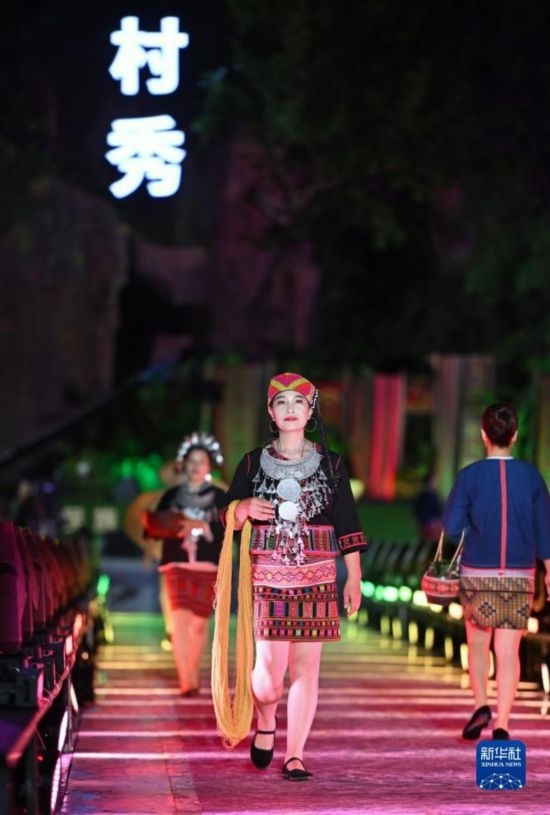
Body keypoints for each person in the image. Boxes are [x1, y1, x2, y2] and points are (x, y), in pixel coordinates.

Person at [212, 372, 367, 780]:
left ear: (311, 411)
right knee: (268, 679)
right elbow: (224, 515)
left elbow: (348, 525)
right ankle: (266, 720)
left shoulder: (332, 465)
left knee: (306, 669)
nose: (291, 409)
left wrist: (353, 578)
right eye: (282, 402)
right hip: (269, 578)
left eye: (299, 402)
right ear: (271, 412)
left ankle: (295, 755)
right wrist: (243, 508)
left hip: (317, 576)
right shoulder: (252, 463)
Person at [443, 403, 550, 740]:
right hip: (519, 575)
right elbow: (545, 531)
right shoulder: (531, 477)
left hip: (477, 573)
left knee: (478, 644)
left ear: (483, 435)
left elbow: (451, 526)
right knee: (508, 651)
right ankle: (503, 722)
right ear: (514, 435)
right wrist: (549, 570)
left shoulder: (469, 476)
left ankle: (480, 705)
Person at [142, 432, 226, 696]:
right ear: (184, 464)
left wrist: (204, 526)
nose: (196, 466)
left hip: (207, 566)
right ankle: (185, 679)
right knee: (179, 620)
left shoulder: (219, 497)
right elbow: (152, 527)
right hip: (176, 564)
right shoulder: (172, 495)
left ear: (209, 466)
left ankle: (193, 671)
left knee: (199, 624)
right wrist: (177, 525)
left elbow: (229, 530)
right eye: (192, 461)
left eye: (201, 461)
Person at [412, 471, 443, 542]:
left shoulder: (433, 494)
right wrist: (430, 522)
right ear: (430, 481)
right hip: (430, 525)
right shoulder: (425, 495)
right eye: (435, 480)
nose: (437, 483)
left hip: (435, 524)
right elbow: (420, 511)